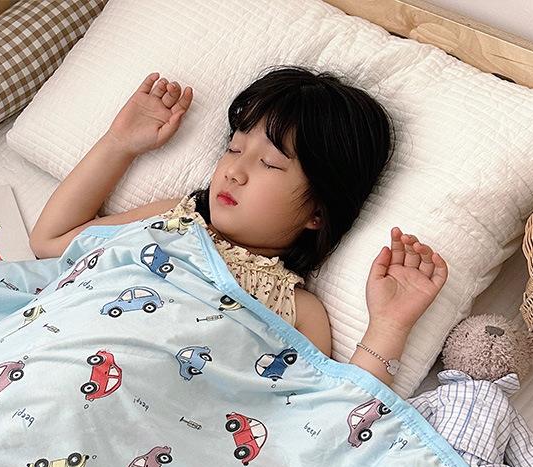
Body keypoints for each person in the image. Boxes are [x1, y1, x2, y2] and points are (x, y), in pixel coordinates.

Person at [29, 67, 449, 390]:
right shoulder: (173, 218)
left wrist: (390, 326)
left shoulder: (298, 309)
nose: (234, 171)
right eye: (233, 148)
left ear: (318, 213)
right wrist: (119, 143)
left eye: (269, 163)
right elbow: (51, 241)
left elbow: (328, 419)